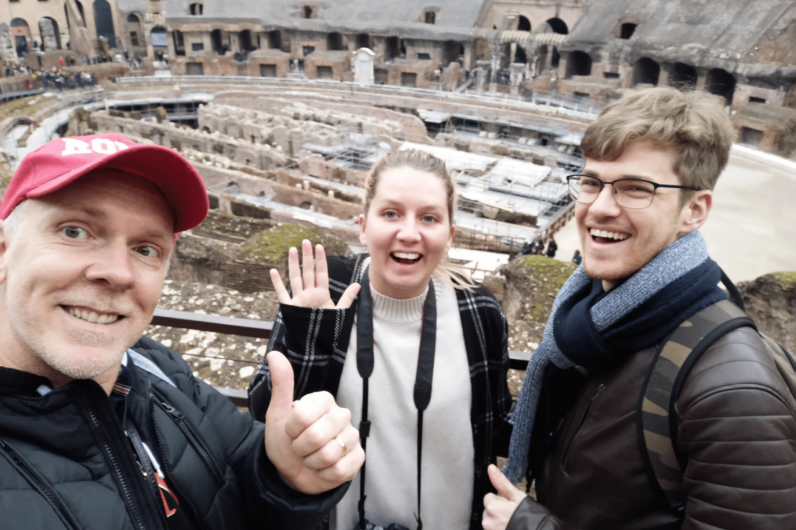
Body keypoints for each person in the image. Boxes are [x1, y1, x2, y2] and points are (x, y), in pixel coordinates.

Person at [0, 133, 364, 530]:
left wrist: (284, 480)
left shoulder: (156, 368)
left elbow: (243, 473)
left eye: (145, 249)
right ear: (4, 250)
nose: (118, 272)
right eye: (74, 231)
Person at [482, 87, 796, 529]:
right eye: (592, 183)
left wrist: (530, 525)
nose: (599, 208)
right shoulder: (596, 322)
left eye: (635, 189)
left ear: (694, 210)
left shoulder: (735, 393)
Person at [249, 150, 513, 530]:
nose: (409, 233)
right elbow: (264, 412)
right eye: (391, 213)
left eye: (429, 218)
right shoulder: (329, 288)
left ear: (449, 235)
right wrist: (312, 337)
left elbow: (496, 420)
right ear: (363, 226)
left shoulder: (479, 310)